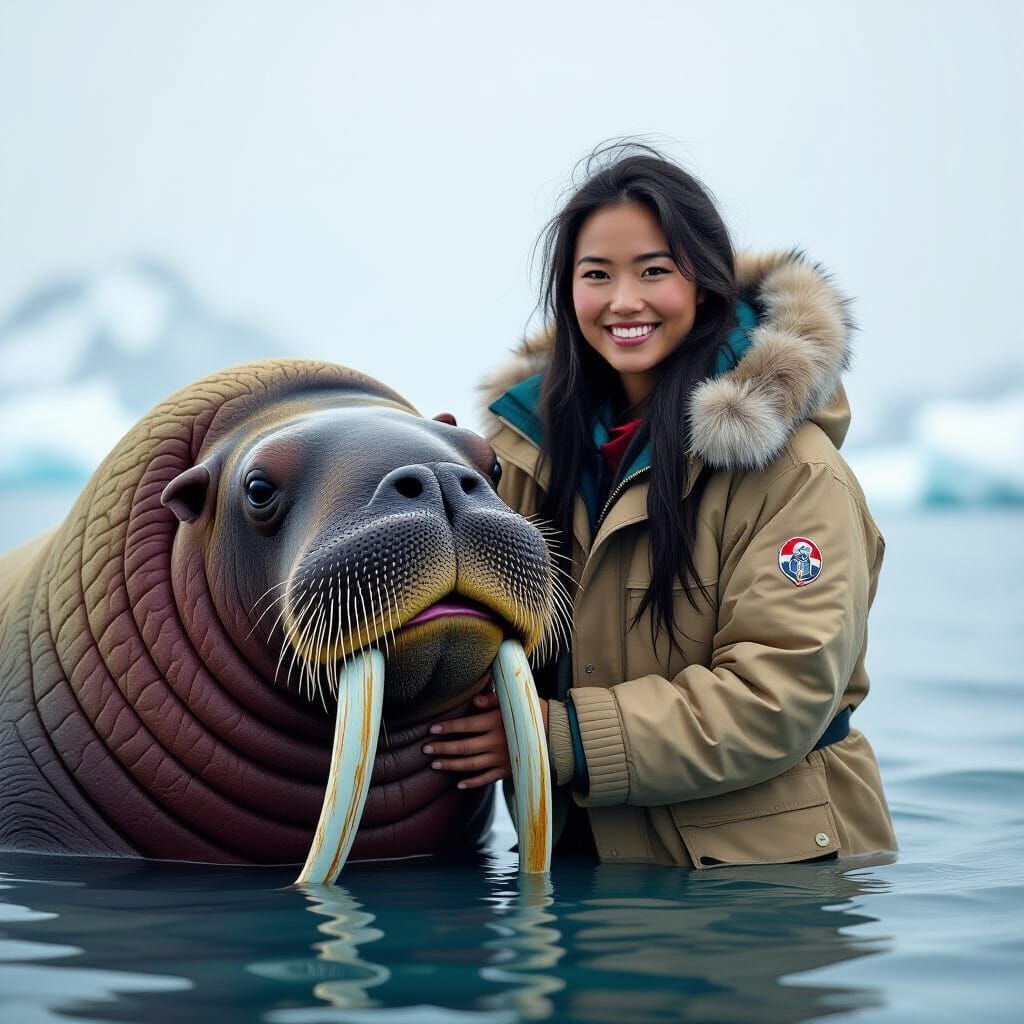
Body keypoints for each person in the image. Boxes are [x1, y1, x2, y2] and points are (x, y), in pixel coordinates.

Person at [424, 142, 897, 867]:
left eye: (654, 271)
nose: (624, 301)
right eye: (596, 275)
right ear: (567, 292)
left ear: (704, 284)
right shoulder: (529, 454)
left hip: (759, 891)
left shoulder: (798, 474)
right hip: (581, 872)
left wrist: (551, 736)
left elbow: (781, 695)